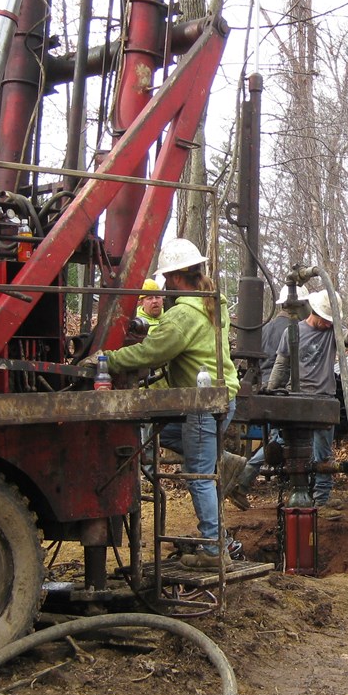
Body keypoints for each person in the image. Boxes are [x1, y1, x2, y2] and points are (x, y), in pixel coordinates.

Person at [99, 238, 240, 568]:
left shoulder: (184, 316)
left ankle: (213, 550)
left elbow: (152, 352)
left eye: (165, 279)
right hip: (217, 400)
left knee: (198, 474)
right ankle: (227, 459)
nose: (163, 286)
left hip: (202, 405)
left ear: (175, 277)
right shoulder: (211, 303)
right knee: (154, 436)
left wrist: (108, 359)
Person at [228, 288, 348, 519]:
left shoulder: (332, 333)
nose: (328, 324)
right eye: (325, 319)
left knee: (323, 454)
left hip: (323, 400)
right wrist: (271, 390)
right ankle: (241, 482)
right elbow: (282, 364)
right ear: (314, 312)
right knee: (282, 442)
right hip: (298, 400)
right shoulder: (293, 332)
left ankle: (321, 500)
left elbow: (346, 339)